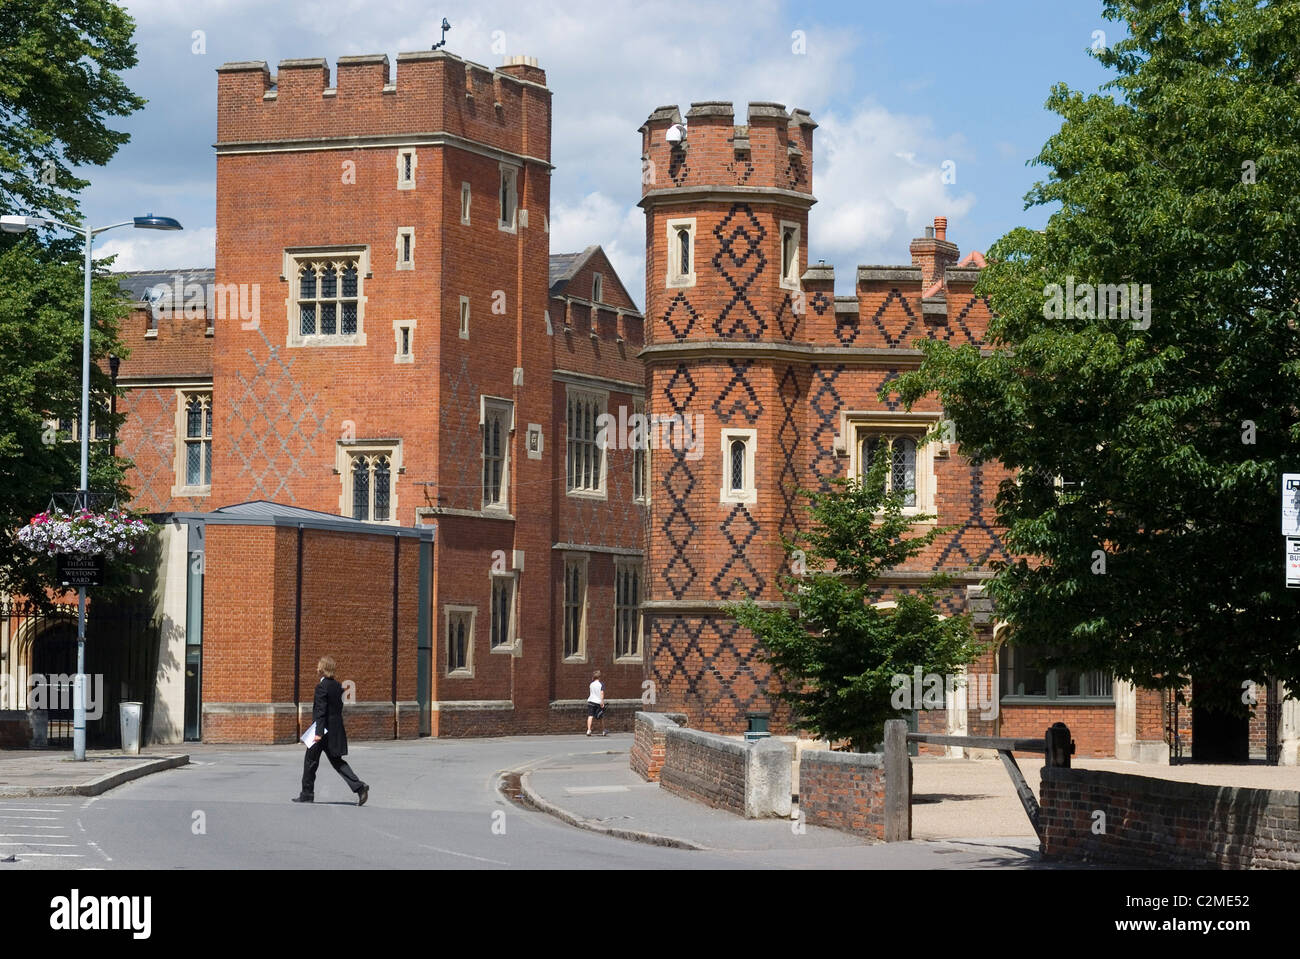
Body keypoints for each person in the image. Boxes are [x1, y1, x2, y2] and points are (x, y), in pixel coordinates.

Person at [294, 656, 369, 805]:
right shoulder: (338, 686)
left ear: (322, 669)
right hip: (335, 730)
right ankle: (359, 787)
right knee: (337, 761)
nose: (316, 669)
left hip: (321, 731)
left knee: (310, 761)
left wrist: (318, 734)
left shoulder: (321, 687)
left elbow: (321, 711)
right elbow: (337, 709)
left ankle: (307, 794)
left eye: (318, 666)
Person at [586, 669, 606, 736]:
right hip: (598, 702)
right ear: (599, 677)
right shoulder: (601, 684)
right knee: (600, 717)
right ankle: (603, 731)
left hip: (591, 701)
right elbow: (602, 693)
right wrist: (602, 701)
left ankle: (589, 730)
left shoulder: (591, 684)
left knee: (590, 716)